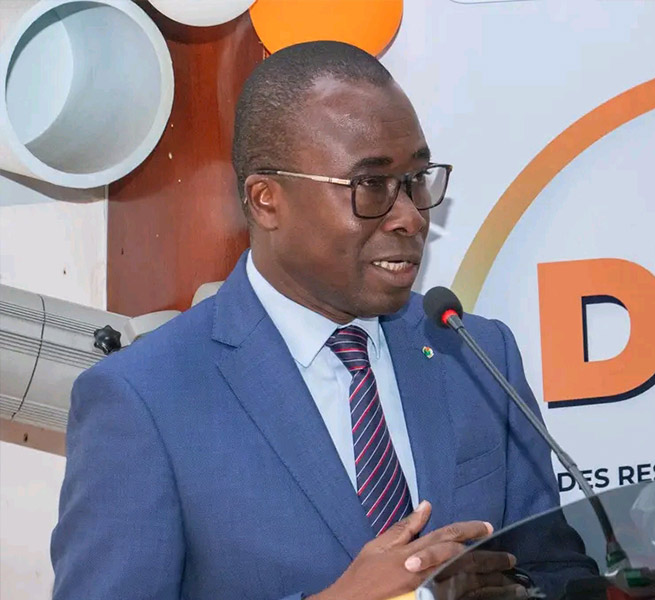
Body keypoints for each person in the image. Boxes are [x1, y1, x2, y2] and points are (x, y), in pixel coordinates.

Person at [51, 41, 594, 600]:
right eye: (371, 186)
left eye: (416, 179)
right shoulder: (143, 399)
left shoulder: (476, 352)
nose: (410, 217)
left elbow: (556, 572)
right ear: (267, 200)